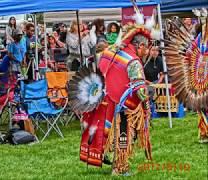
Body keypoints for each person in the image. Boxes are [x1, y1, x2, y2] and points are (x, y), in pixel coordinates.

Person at [68, 6, 158, 175]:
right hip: (120, 105)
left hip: (100, 99)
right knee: (122, 135)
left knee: (106, 133)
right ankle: (120, 167)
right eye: (146, 48)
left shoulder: (110, 51)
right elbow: (139, 90)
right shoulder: (134, 61)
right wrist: (148, 97)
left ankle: (103, 155)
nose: (146, 52)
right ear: (139, 46)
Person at [165, 10, 208, 143]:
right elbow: (190, 53)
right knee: (202, 105)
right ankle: (204, 132)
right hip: (200, 77)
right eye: (203, 22)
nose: (205, 24)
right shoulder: (199, 38)